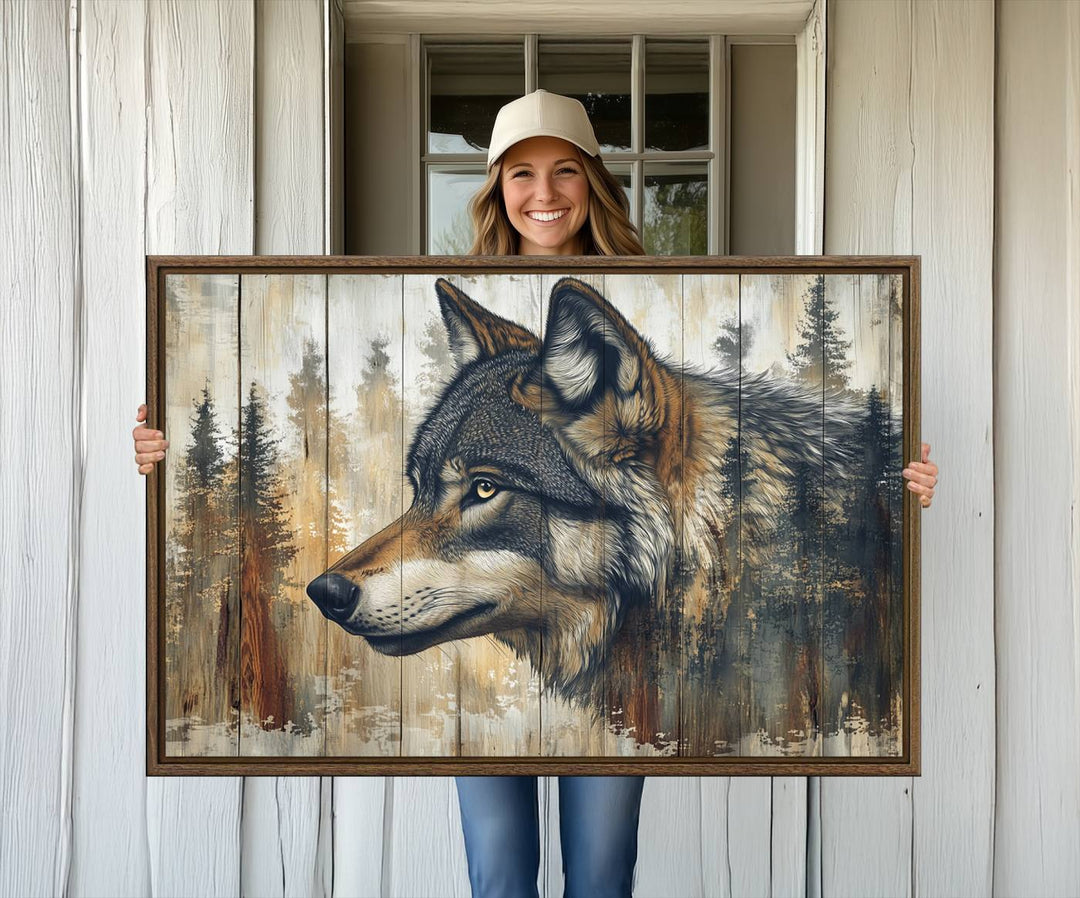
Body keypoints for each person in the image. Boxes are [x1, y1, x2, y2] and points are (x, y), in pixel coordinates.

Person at [131, 89, 940, 898]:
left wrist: (893, 485)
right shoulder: (492, 354)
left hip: (631, 661)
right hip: (481, 693)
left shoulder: (668, 302)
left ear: (593, 182)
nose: (543, 193)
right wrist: (163, 452)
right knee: (499, 878)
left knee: (599, 877)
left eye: (564, 171)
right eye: (520, 173)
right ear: (496, 190)